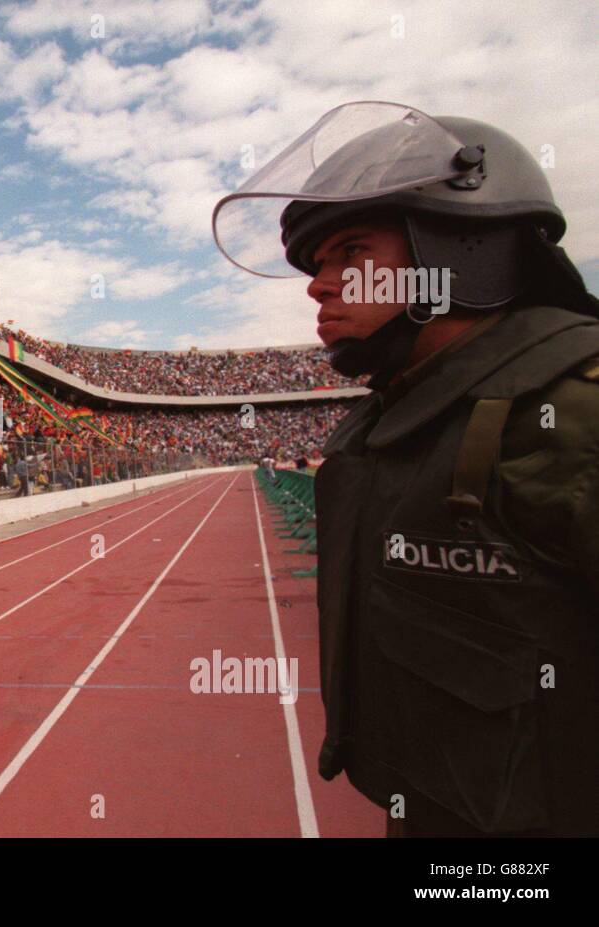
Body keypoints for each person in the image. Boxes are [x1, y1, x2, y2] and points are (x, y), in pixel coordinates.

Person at [213, 101, 599, 837]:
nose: (318, 285)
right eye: (318, 262)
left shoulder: (571, 415)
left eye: (351, 253)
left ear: (459, 250)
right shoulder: (399, 420)